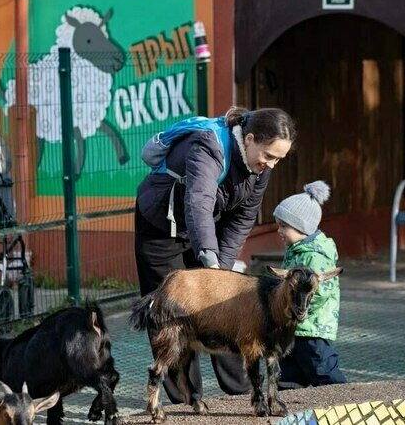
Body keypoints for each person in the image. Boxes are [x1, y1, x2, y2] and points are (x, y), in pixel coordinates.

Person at [134, 106, 296, 405]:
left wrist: (220, 270)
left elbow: (242, 219)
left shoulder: (261, 169)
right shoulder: (208, 146)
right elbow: (198, 203)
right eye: (269, 155)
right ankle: (187, 397)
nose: (271, 164)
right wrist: (209, 260)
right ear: (248, 139)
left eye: (278, 159)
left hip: (206, 226)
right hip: (162, 227)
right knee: (173, 311)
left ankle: (239, 388)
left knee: (226, 304)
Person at [273, 181, 347, 388]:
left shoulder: (315, 256)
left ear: (301, 227)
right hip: (293, 326)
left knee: (321, 369)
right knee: (288, 372)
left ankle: (340, 401)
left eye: (284, 226)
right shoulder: (296, 250)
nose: (279, 230)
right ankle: (292, 407)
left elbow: (320, 292)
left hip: (312, 327)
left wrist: (294, 306)